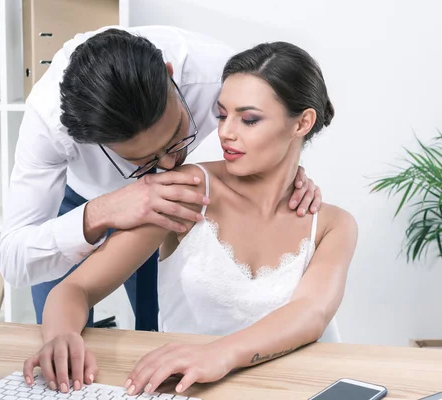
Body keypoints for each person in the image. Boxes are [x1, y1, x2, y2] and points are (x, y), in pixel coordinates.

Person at [21, 41, 358, 395]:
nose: (226, 132)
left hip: (303, 389)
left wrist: (219, 355)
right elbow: (75, 288)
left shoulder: (333, 224)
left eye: (249, 119)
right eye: (222, 114)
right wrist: (62, 337)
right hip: (192, 390)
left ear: (302, 123)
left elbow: (311, 314)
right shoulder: (184, 192)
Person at [0, 26, 323, 331]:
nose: (170, 162)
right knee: (60, 330)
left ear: (170, 76)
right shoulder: (48, 121)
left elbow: (279, 120)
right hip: (78, 202)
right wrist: (101, 211)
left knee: (155, 325)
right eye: (145, 159)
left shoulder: (216, 74)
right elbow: (14, 260)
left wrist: (286, 172)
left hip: (169, 205)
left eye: (176, 136)